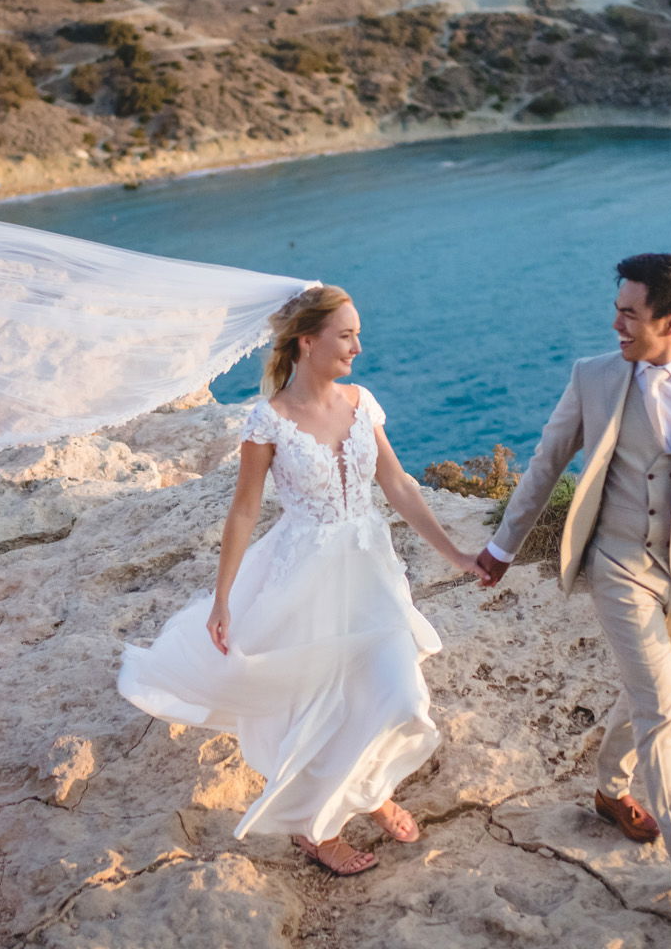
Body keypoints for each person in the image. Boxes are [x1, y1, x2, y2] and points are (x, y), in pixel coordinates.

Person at [476, 253, 671, 928]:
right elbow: (547, 459)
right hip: (618, 561)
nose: (615, 322)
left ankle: (608, 790)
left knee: (646, 690)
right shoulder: (593, 376)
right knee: (661, 706)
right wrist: (502, 546)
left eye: (630, 312)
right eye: (617, 307)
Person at [119, 285, 483, 875]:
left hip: (368, 569)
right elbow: (244, 509)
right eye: (346, 335)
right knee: (315, 704)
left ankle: (367, 791)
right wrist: (222, 599)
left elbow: (398, 485)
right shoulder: (270, 420)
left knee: (401, 695)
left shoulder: (362, 402)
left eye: (357, 333)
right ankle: (318, 829)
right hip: (304, 576)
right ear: (307, 341)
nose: (358, 347)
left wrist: (459, 555)